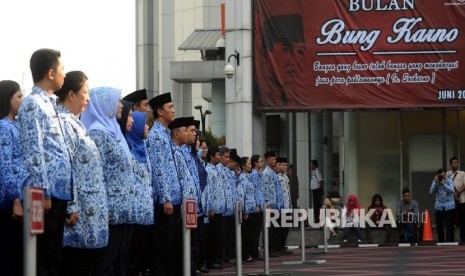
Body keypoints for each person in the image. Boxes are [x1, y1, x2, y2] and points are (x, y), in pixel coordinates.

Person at [18, 48, 71, 276]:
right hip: (46, 195)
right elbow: (33, 152)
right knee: (43, 258)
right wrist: (43, 192)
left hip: (60, 193)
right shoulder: (33, 104)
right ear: (51, 73)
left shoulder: (51, 104)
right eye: (62, 69)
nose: (64, 74)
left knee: (55, 257)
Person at [55, 71, 109, 276]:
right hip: (79, 212)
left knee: (87, 264)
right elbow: (65, 166)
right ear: (71, 94)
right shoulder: (62, 122)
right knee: (75, 265)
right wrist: (72, 206)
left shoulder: (75, 122)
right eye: (85, 92)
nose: (88, 98)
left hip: (91, 209)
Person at [81, 86, 135, 276]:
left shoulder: (114, 131)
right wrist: (103, 208)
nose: (121, 105)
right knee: (105, 262)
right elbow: (97, 173)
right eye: (117, 100)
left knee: (118, 259)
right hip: (110, 210)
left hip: (122, 209)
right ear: (105, 104)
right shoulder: (97, 133)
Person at [147, 93, 183, 276]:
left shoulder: (166, 135)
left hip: (175, 199)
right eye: (170, 107)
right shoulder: (155, 136)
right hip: (165, 202)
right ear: (160, 111)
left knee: (172, 247)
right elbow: (158, 170)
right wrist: (166, 198)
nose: (173, 110)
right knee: (163, 247)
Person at [0, 80, 27, 276]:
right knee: (10, 256)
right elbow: (5, 165)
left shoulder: (17, 125)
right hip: (10, 204)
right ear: (6, 100)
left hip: (23, 199)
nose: (22, 100)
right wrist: (15, 199)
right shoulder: (3, 127)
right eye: (18, 96)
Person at [255, 13, 308, 108]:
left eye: (300, 52)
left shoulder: (300, 98)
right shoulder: (258, 95)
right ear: (265, 55)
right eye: (286, 50)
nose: (294, 61)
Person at [125, 111, 154, 276]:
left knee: (143, 252)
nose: (147, 126)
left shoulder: (143, 147)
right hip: (135, 211)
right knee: (133, 253)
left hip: (146, 211)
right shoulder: (129, 147)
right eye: (144, 123)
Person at [204, 146, 226, 270]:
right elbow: (209, 190)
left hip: (221, 207)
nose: (219, 156)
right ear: (212, 156)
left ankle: (217, 258)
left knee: (219, 236)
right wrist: (211, 207)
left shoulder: (218, 169)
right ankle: (211, 261)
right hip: (214, 208)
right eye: (217, 154)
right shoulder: (209, 170)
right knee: (213, 237)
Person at [261, 151, 284, 257]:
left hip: (276, 204)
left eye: (275, 159)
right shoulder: (266, 173)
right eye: (273, 159)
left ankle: (274, 248)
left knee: (275, 228)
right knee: (270, 229)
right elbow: (265, 190)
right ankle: (270, 249)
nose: (275, 161)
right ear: (267, 160)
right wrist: (267, 204)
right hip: (270, 205)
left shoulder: (272, 173)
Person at [430, 168, 456, 242]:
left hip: (449, 205)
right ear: (438, 176)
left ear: (445, 175)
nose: (442, 177)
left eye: (444, 175)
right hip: (439, 206)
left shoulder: (449, 181)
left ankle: (450, 241)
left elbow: (452, 190)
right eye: (441, 176)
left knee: (449, 225)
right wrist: (435, 182)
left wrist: (444, 184)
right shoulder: (436, 181)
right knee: (439, 224)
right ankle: (441, 241)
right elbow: (431, 192)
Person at [275, 157, 292, 255]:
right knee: (280, 228)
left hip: (287, 206)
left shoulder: (286, 177)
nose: (285, 167)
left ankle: (282, 246)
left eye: (286, 165)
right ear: (278, 165)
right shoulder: (276, 177)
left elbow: (288, 194)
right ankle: (278, 247)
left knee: (286, 228)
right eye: (283, 165)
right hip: (280, 207)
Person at [447, 156, 465, 242]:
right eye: (454, 162)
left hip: (462, 199)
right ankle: (450, 239)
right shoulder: (447, 174)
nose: (456, 164)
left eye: (457, 162)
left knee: (462, 219)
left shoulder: (462, 173)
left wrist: (457, 193)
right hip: (450, 200)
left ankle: (463, 238)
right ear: (450, 164)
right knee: (450, 220)